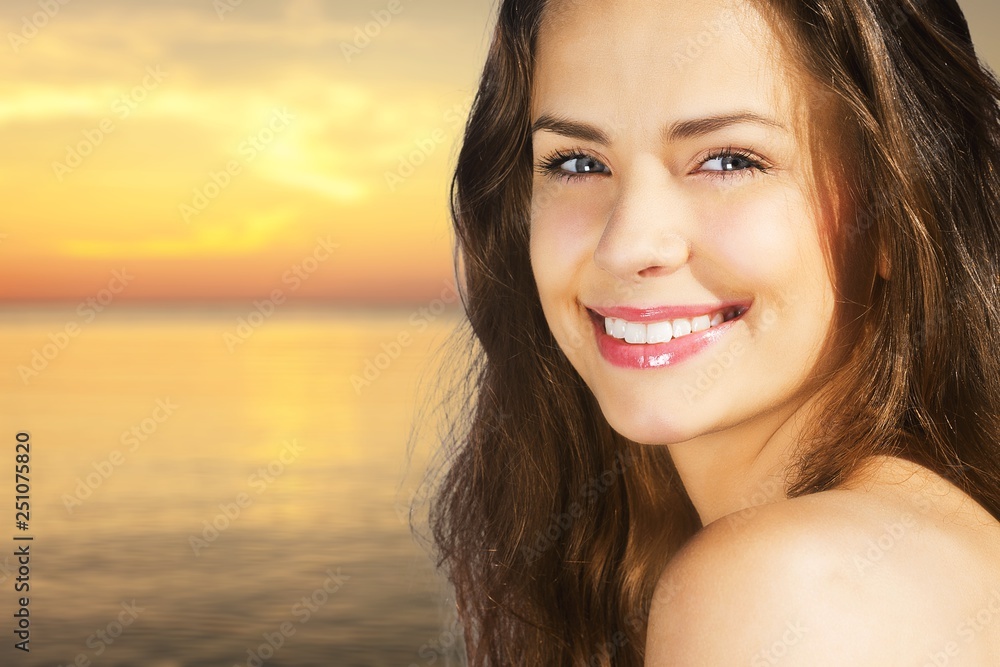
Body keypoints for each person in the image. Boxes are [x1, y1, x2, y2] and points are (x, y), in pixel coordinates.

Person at [422, 0, 1000, 664]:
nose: (626, 243)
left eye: (729, 160)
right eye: (576, 163)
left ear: (897, 209)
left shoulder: (792, 589)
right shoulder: (915, 541)